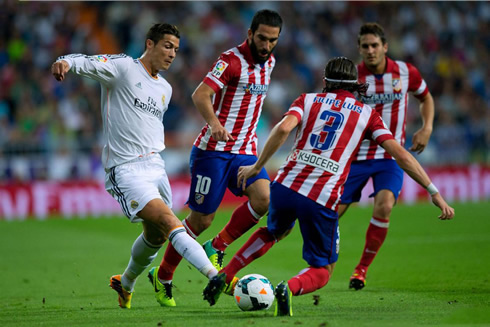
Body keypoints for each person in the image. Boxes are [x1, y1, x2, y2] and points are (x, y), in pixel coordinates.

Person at [201, 57, 454, 316]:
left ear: (326, 82)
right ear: (356, 84)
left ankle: (226, 273)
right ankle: (288, 287)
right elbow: (400, 154)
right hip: (321, 195)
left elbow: (282, 129)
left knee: (274, 231)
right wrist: (433, 191)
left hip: (286, 184)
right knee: (323, 270)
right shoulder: (368, 115)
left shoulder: (307, 100)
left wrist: (257, 166)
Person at [51, 23, 220, 309]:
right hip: (126, 169)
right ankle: (216, 276)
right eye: (167, 46)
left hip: (156, 167)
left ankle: (125, 282)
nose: (172, 54)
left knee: (154, 235)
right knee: (169, 223)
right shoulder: (124, 68)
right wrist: (64, 61)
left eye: (176, 50)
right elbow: (87, 62)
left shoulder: (165, 89)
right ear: (150, 44)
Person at [148, 9, 283, 307]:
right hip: (213, 152)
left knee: (264, 199)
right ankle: (164, 274)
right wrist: (214, 123)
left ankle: (217, 246)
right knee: (201, 219)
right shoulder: (230, 61)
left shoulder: (269, 62)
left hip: (245, 152)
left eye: (272, 40)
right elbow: (200, 94)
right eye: (261, 38)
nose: (266, 45)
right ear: (250, 34)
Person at [339, 22, 436, 290]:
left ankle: (361, 269)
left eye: (374, 46)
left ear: (385, 47)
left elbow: (426, 98)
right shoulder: (351, 77)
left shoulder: (406, 72)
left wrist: (426, 128)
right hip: (353, 157)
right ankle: (321, 263)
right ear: (358, 49)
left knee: (384, 205)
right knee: (331, 215)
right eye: (364, 46)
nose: (370, 51)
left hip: (389, 157)